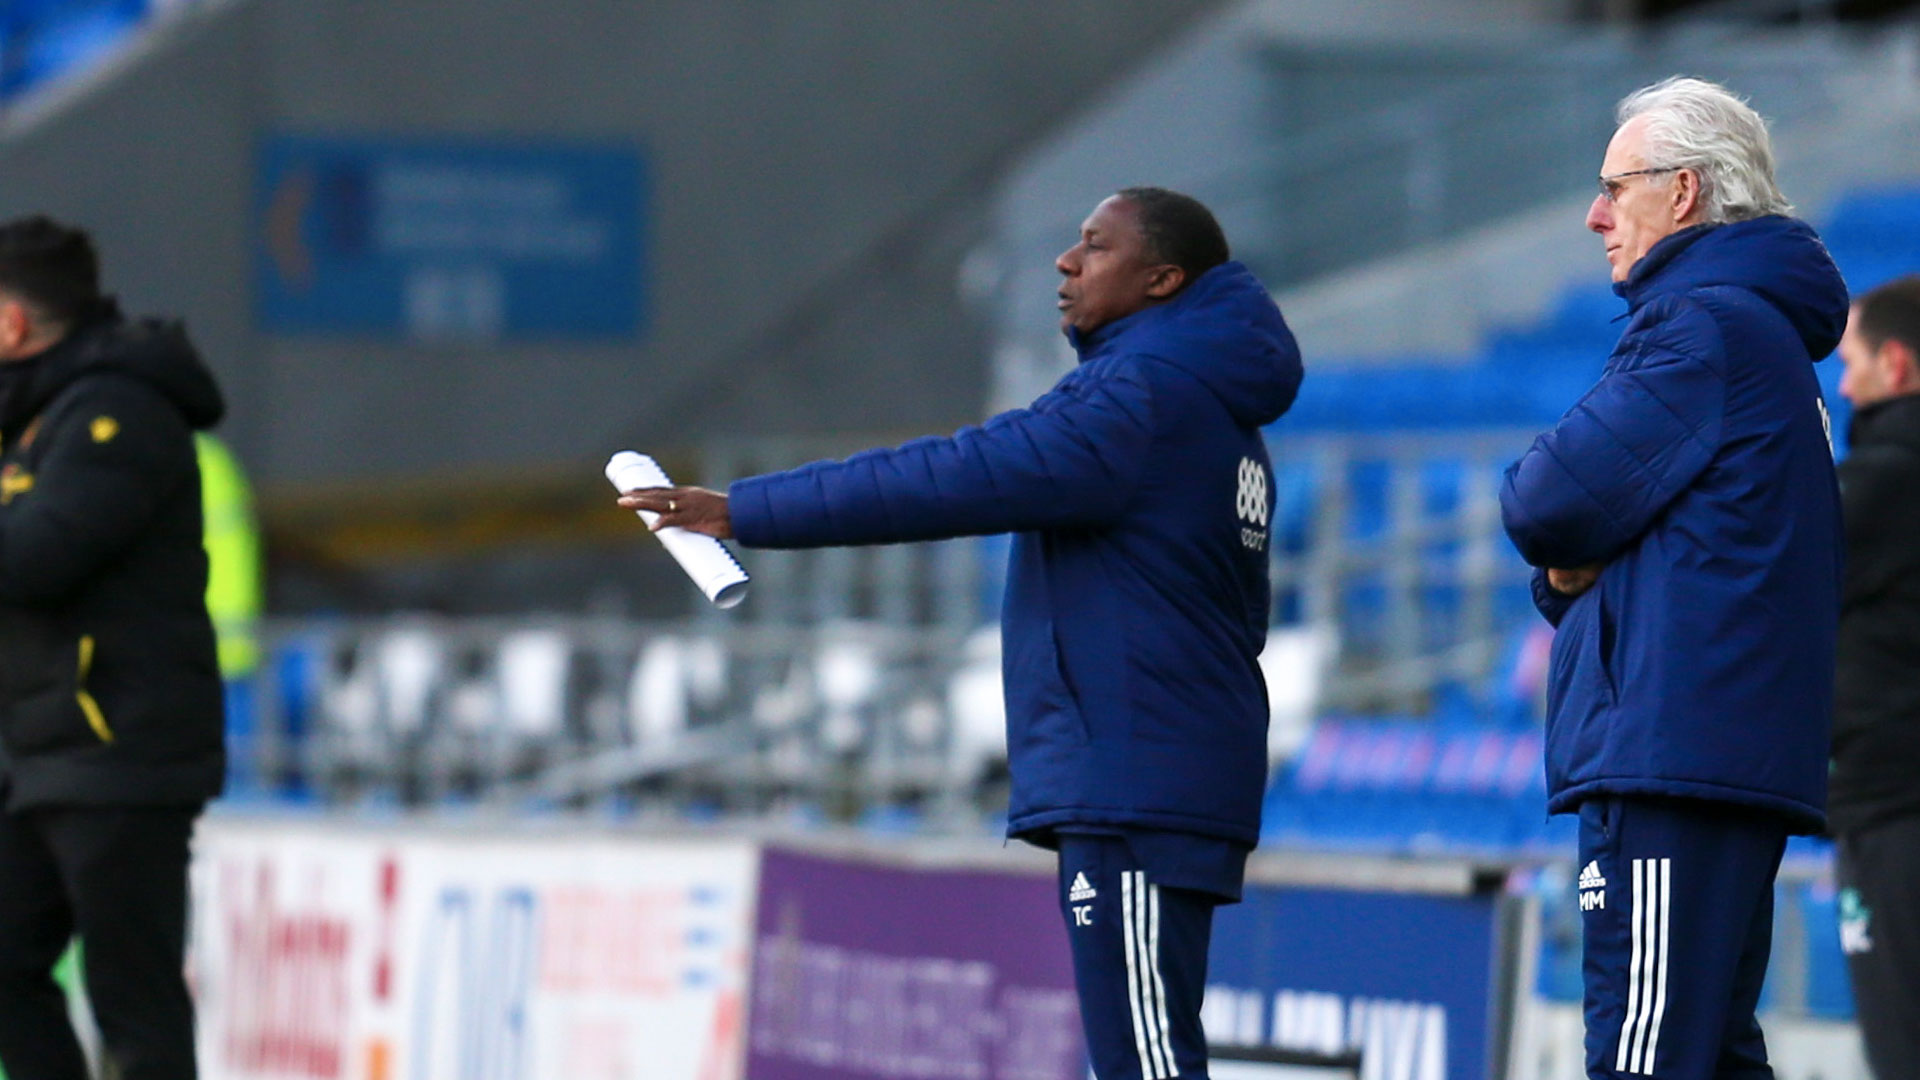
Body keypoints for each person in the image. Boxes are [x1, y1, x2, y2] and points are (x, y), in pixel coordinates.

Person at [623, 187, 1302, 1079]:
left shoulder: (1141, 397)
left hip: (1136, 785)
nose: (1066, 262)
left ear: (1163, 279)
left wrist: (746, 509)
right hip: (1157, 771)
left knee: (1146, 1064)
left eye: (1096, 247)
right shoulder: (1207, 403)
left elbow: (957, 475)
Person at [1499, 78, 1847, 1079]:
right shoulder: (1751, 331)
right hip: (1709, 754)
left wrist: (1572, 567)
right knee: (1715, 1056)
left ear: (1685, 193)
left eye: (1617, 187)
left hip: (1674, 756)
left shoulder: (1705, 326)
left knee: (1649, 1057)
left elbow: (1542, 500)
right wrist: (1574, 576)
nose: (1594, 214)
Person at [0, 215, 227, 1080]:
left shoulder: (116, 414)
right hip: (43, 750)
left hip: (118, 750)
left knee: (134, 1005)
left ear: (14, 322)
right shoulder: (42, 414)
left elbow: (37, 557)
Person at [1829, 275, 1920, 1080]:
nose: (1844, 381)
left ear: (1897, 365)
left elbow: (1757, 575)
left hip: (1895, 815)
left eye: (1853, 360)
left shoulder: (1888, 478)